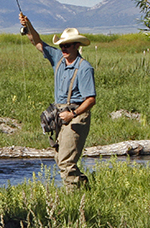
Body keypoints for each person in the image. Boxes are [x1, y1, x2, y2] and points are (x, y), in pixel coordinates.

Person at [20, 13, 96, 189]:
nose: (63, 48)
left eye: (67, 45)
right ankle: (86, 190)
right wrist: (28, 24)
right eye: (61, 45)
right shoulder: (58, 59)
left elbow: (91, 99)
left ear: (77, 46)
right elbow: (37, 43)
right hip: (60, 116)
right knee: (60, 157)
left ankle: (75, 200)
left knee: (65, 162)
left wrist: (73, 114)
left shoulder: (84, 68)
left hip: (76, 116)